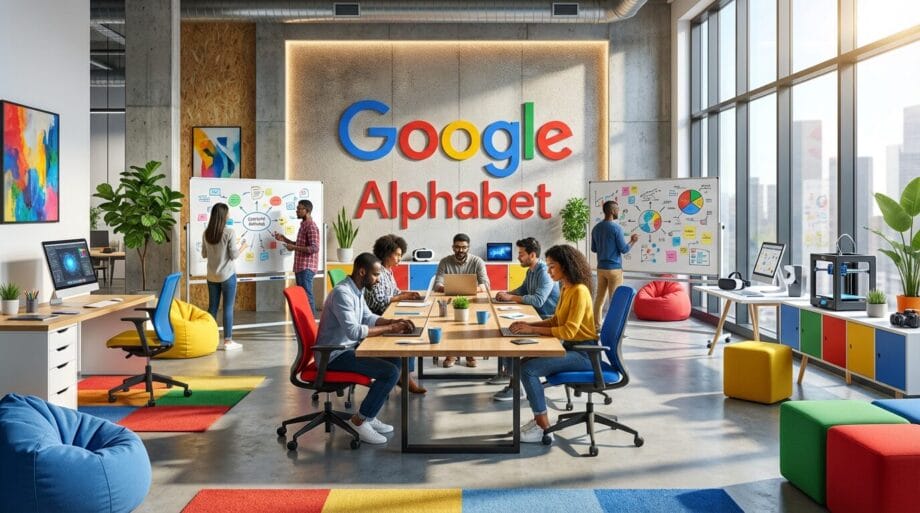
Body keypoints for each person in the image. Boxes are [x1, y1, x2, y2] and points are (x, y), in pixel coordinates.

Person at [316, 252, 417, 445]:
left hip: (346, 348)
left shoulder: (357, 290)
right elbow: (354, 331)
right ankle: (359, 421)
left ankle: (368, 416)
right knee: (388, 373)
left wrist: (393, 321)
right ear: (362, 272)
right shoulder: (342, 293)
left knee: (396, 362)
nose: (379, 279)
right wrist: (389, 328)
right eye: (376, 275)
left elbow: (367, 317)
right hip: (333, 354)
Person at [506, 244, 597, 443]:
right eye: (547, 266)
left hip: (584, 354)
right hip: (572, 347)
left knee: (528, 370)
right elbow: (556, 321)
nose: (548, 271)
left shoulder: (579, 291)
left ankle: (544, 427)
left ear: (566, 266)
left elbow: (568, 331)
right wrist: (528, 324)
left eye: (552, 266)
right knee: (523, 364)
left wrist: (532, 330)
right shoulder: (566, 287)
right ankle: (538, 419)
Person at [491, 237, 560, 400]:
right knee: (505, 327)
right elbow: (523, 289)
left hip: (545, 317)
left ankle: (515, 387)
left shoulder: (544, 272)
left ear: (532, 255)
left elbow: (538, 300)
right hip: (533, 313)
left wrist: (511, 298)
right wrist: (507, 294)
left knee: (509, 333)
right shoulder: (531, 270)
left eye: (521, 254)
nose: (518, 257)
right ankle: (507, 374)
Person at [364, 234, 426, 394]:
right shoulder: (376, 271)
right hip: (377, 317)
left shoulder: (388, 271)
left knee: (411, 324)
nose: (400, 258)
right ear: (386, 253)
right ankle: (404, 376)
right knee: (409, 330)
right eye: (397, 255)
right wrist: (402, 297)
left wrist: (406, 294)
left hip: (386, 313)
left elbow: (394, 292)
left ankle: (405, 374)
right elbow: (378, 302)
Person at [433, 233, 490, 368]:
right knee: (449, 324)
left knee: (471, 322)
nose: (460, 250)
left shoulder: (477, 261)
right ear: (453, 247)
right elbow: (437, 285)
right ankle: (451, 353)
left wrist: (469, 289)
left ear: (468, 247)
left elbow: (486, 285)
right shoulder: (445, 261)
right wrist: (452, 289)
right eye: (457, 247)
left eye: (464, 247)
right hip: (450, 299)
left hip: (472, 299)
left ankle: (470, 352)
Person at [201, 202, 247, 351]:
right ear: (223, 216)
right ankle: (228, 341)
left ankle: (208, 338)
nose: (229, 215)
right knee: (228, 308)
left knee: (212, 307)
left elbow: (204, 254)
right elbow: (233, 255)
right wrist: (243, 247)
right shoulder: (229, 232)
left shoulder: (206, 233)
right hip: (227, 276)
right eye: (227, 213)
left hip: (211, 276)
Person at [590, 200, 638, 327]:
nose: (618, 211)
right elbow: (624, 249)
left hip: (601, 269)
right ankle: (613, 327)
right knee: (614, 300)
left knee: (599, 299)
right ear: (612, 211)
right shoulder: (617, 228)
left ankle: (596, 326)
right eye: (617, 209)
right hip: (614, 269)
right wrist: (633, 241)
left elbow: (594, 249)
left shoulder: (596, 228)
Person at [273, 199, 320, 314]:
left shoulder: (311, 226)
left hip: (306, 268)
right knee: (303, 298)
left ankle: (311, 326)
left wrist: (293, 248)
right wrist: (284, 239)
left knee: (307, 297)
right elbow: (300, 245)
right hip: (300, 267)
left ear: (307, 210)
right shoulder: (304, 226)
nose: (297, 211)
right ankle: (306, 325)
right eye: (297, 208)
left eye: (300, 208)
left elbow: (314, 248)